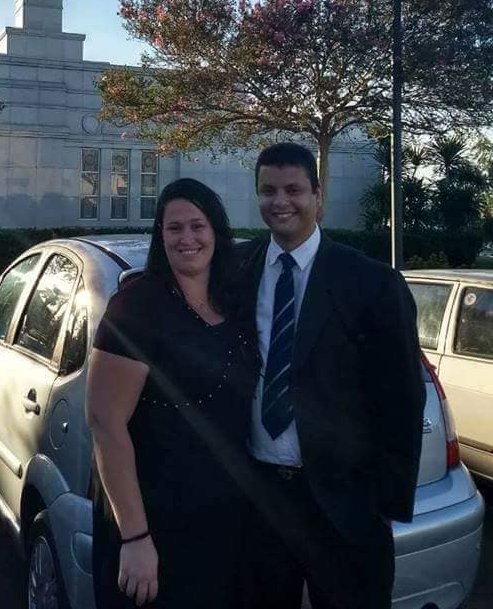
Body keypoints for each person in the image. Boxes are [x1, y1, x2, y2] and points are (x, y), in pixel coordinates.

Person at [237, 142, 426, 609]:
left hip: (345, 508)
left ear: (318, 197)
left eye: (293, 190)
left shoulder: (372, 283)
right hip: (260, 502)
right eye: (268, 190)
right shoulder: (235, 270)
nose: (280, 201)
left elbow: (402, 397)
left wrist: (383, 505)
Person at [86, 178, 258, 608]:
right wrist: (135, 536)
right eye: (173, 228)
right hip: (157, 527)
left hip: (227, 523)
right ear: (159, 235)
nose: (187, 239)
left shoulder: (234, 302)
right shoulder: (138, 306)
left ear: (217, 231)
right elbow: (106, 423)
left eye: (197, 226)